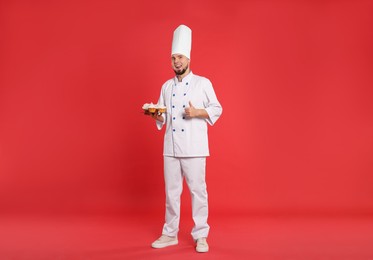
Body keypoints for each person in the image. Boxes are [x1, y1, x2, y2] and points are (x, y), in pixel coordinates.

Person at [146, 24, 222, 253]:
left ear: (188, 58)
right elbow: (163, 116)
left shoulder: (203, 83)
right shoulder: (166, 86)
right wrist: (155, 114)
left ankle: (201, 235)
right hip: (170, 146)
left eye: (179, 57)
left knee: (198, 191)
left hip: (195, 146)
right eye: (173, 58)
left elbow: (217, 108)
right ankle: (170, 233)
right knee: (171, 192)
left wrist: (197, 112)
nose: (176, 61)